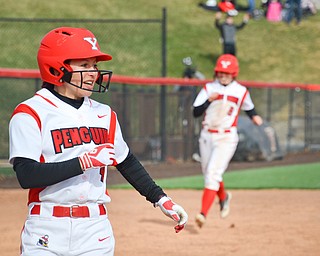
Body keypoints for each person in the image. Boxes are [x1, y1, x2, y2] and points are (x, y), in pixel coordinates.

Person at [8, 27, 188, 256]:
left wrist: (161, 199)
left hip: (95, 229)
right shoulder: (31, 112)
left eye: (94, 65)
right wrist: (83, 162)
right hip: (46, 227)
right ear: (55, 68)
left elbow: (126, 161)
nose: (93, 72)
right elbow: (27, 175)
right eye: (84, 66)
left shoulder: (104, 114)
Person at [192, 54, 263, 228]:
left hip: (226, 137)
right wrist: (209, 100)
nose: (223, 76)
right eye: (221, 72)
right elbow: (195, 112)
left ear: (234, 74)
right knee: (210, 173)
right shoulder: (209, 88)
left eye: (227, 73)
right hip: (207, 135)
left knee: (212, 175)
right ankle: (223, 197)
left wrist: (255, 117)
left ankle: (203, 214)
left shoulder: (240, 91)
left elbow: (250, 108)